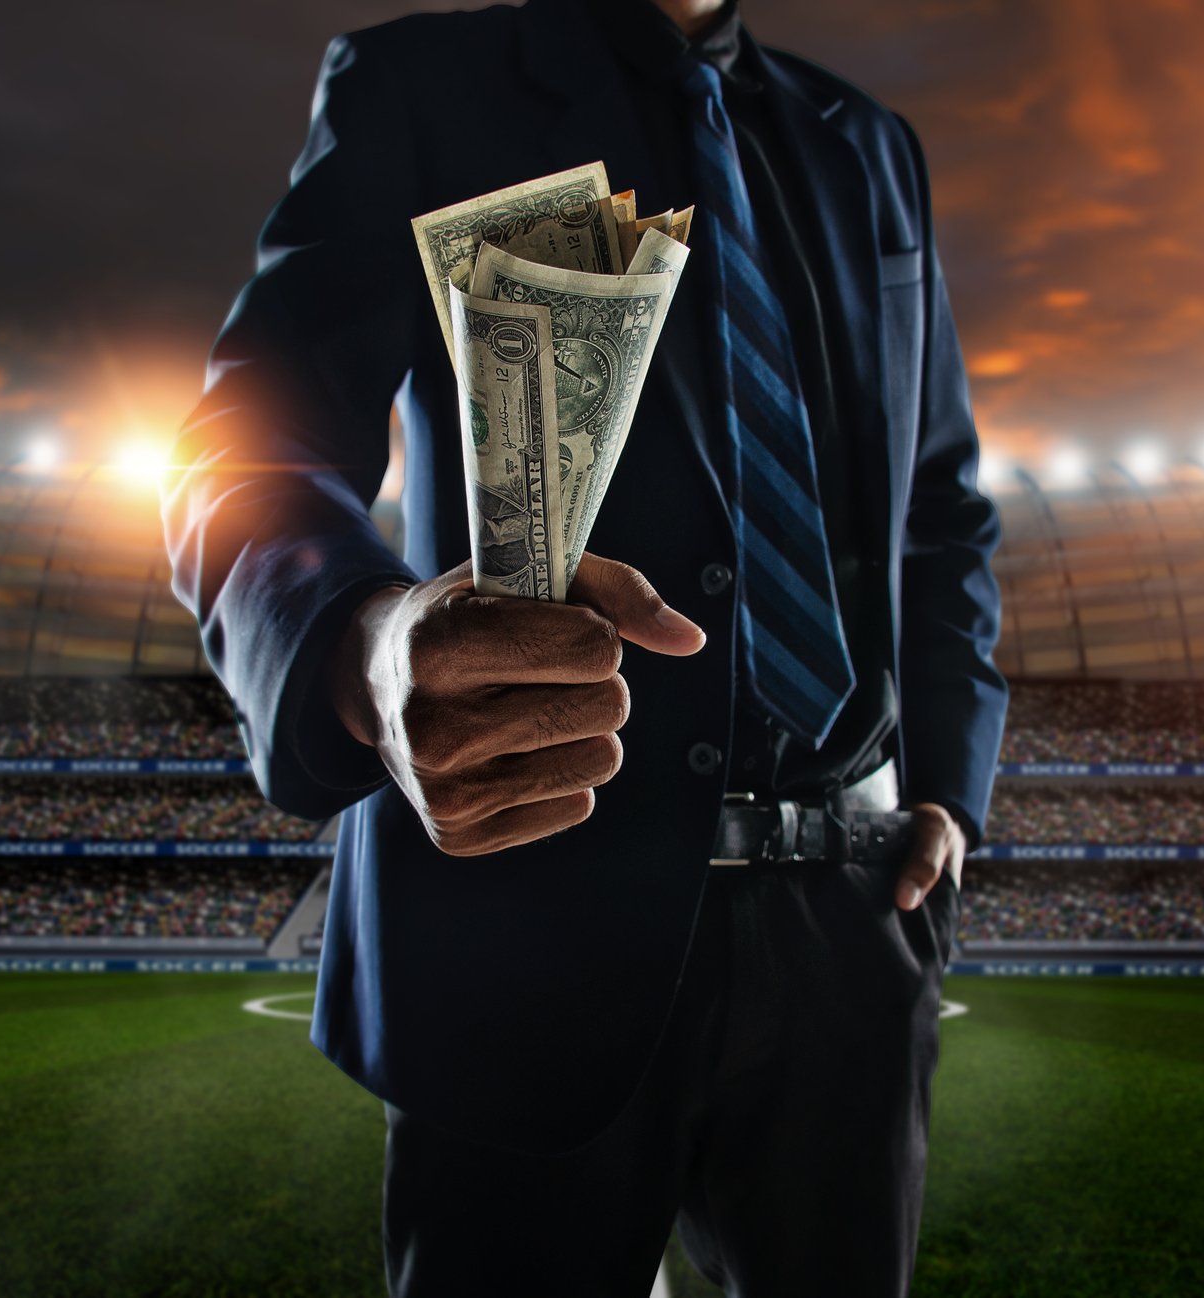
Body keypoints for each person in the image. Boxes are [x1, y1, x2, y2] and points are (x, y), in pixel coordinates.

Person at [161, 0, 1006, 1292]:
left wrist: (948, 787)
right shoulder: (419, 87)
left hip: (850, 927)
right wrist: (364, 643)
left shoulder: (871, 146)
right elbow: (241, 455)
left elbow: (940, 505)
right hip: (524, 919)